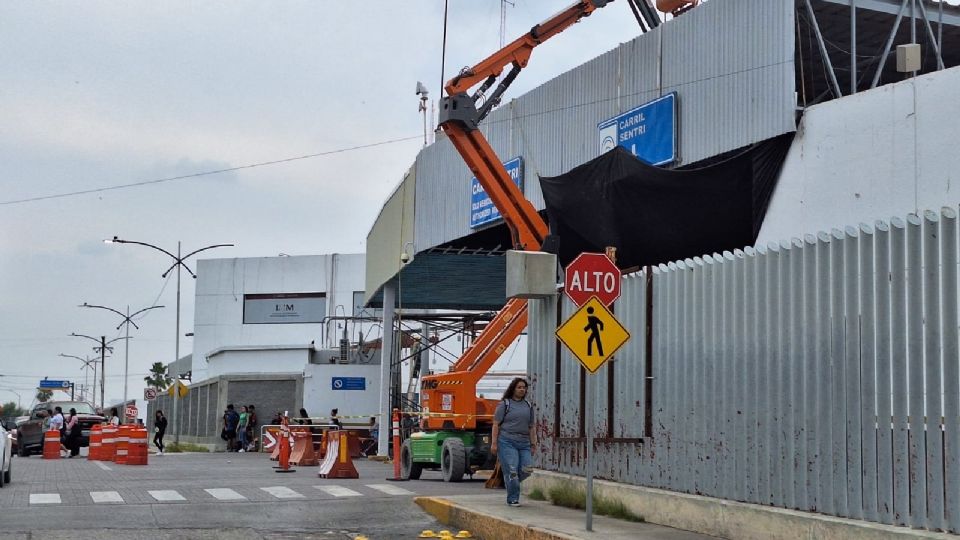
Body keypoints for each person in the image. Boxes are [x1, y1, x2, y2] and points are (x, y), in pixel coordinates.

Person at [491, 377, 537, 507]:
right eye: (519, 387)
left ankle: (510, 481)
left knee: (527, 469)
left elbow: (531, 426)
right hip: (507, 442)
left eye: (524, 387)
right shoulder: (505, 404)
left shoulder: (528, 405)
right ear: (513, 389)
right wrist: (494, 443)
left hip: (524, 443)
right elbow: (496, 424)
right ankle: (513, 498)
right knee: (512, 471)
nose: (522, 390)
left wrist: (533, 444)